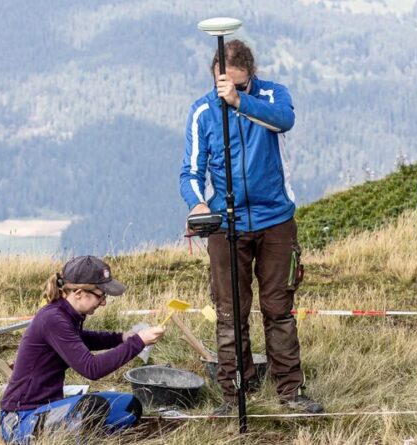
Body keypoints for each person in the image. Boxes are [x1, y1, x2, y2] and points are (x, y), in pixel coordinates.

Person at [179, 39, 323, 415]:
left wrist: (242, 101)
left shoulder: (273, 96)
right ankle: (234, 395)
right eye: (222, 86)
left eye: (238, 85)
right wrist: (197, 204)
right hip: (226, 225)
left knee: (279, 309)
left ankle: (290, 393)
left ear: (251, 77)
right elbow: (191, 171)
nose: (226, 92)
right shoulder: (202, 112)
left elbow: (285, 120)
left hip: (276, 220)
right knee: (230, 313)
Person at [0, 256, 165, 444]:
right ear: (78, 293)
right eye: (101, 294)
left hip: (49, 409)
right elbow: (91, 369)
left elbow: (82, 339)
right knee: (93, 407)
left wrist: (121, 338)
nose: (103, 302)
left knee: (129, 406)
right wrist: (138, 341)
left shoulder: (66, 315)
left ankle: (85, 436)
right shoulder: (53, 319)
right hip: (21, 420)